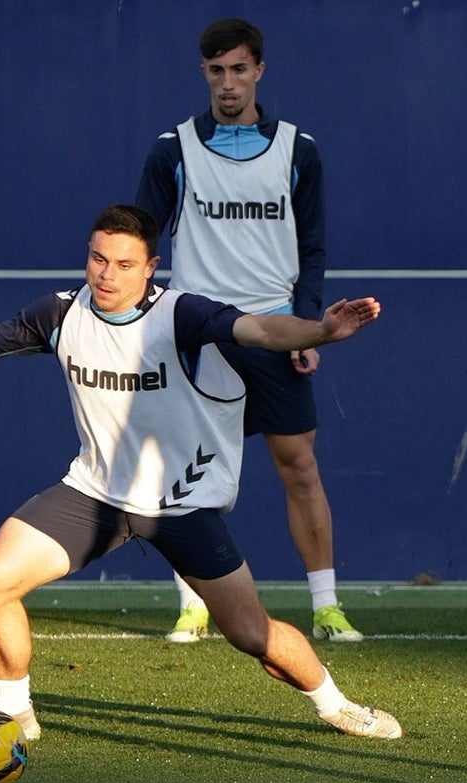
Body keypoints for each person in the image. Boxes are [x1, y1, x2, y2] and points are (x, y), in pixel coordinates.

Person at [0, 204, 401, 742]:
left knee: (252, 634)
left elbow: (260, 330)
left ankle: (338, 706)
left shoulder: (181, 315)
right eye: (97, 259)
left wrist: (320, 333)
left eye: (122, 264)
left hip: (181, 505)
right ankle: (12, 721)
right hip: (94, 495)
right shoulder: (60, 313)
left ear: (149, 268)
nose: (106, 274)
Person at [135, 18, 363, 644]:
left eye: (239, 69)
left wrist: (311, 331)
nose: (228, 82)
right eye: (216, 71)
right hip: (201, 331)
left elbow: (311, 247)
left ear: (259, 70)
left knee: (299, 466)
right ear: (203, 73)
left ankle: (326, 606)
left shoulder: (299, 150)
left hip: (276, 328)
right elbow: (142, 245)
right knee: (187, 473)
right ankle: (193, 606)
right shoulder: (172, 150)